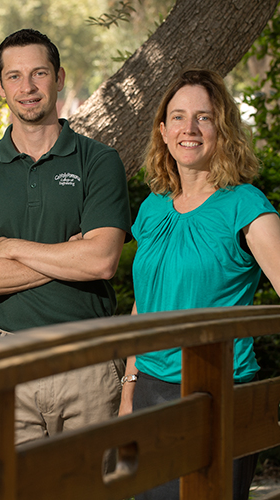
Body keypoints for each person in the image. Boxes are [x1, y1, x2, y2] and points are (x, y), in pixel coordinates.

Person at [0, 29, 131, 449]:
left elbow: (101, 261)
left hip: (87, 356)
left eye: (38, 74)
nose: (27, 88)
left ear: (59, 77)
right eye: (14, 76)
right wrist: (68, 254)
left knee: (91, 489)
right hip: (7, 360)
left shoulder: (99, 161)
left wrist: (11, 248)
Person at [119, 69, 280, 500]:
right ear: (163, 131)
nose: (189, 129)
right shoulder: (153, 207)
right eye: (178, 117)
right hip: (150, 391)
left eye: (204, 118)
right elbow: (143, 304)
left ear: (222, 129)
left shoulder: (245, 205)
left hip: (218, 392)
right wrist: (128, 388)